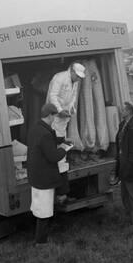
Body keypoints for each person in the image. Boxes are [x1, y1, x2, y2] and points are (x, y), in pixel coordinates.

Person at [26, 103, 71, 244]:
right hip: (44, 179)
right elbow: (53, 156)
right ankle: (41, 241)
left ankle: (41, 238)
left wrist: (62, 140)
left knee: (39, 208)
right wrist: (64, 148)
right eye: (54, 116)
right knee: (44, 212)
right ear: (50, 115)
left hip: (35, 176)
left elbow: (47, 141)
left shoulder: (35, 129)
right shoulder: (45, 133)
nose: (55, 118)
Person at [46, 62, 86, 203]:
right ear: (71, 71)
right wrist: (59, 110)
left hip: (64, 118)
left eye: (80, 77)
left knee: (61, 143)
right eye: (77, 76)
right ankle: (59, 188)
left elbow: (73, 97)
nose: (78, 79)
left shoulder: (75, 81)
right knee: (55, 145)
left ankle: (62, 191)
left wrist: (71, 109)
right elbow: (53, 95)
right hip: (54, 116)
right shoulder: (59, 78)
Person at [110, 101, 133, 225]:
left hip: (132, 167)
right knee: (125, 194)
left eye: (123, 110)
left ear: (129, 111)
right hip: (123, 165)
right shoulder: (122, 125)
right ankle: (129, 216)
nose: (121, 111)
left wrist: (130, 165)